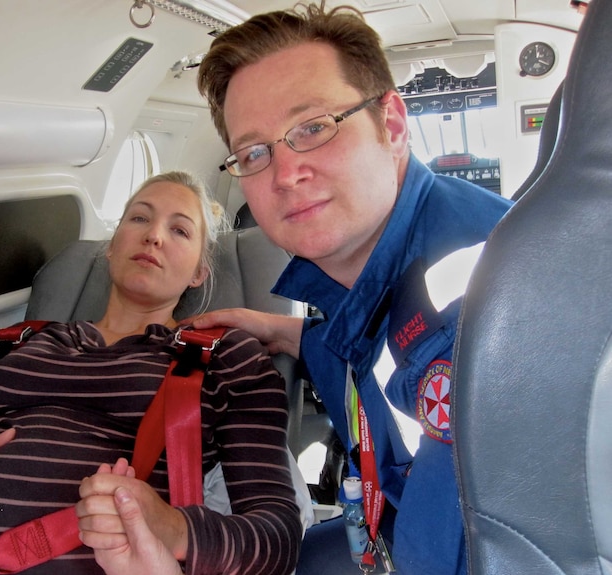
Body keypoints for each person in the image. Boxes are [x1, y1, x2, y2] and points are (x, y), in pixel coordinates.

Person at [186, 4, 513, 575]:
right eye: (255, 152)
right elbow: (374, 351)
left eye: (313, 128)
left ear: (390, 124)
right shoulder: (378, 274)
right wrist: (283, 332)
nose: (286, 173)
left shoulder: (477, 297)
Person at [0, 171, 303, 575]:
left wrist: (174, 528)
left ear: (199, 272)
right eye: (139, 219)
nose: (153, 236)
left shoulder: (227, 355)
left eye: (179, 230)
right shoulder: (23, 342)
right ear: (111, 247)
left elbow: (278, 539)